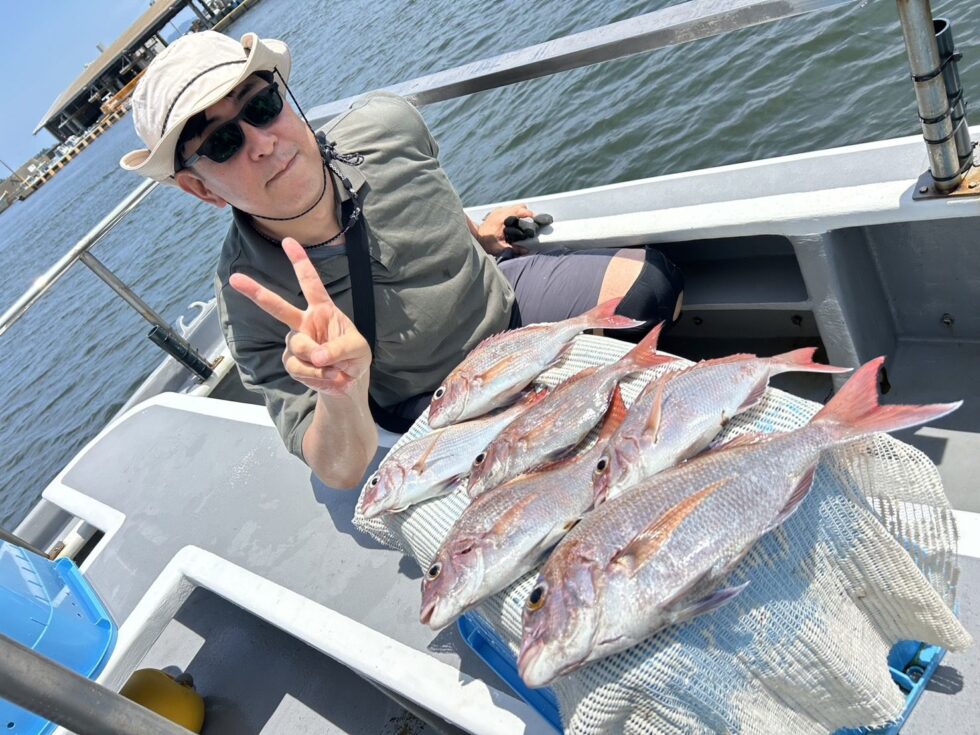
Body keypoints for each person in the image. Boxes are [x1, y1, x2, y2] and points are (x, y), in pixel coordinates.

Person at [120, 31, 684, 489]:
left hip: (504, 310)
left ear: (286, 99)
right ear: (201, 189)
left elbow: (429, 196)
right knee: (530, 482)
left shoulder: (389, 125)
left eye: (262, 107)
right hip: (439, 404)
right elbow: (339, 467)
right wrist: (341, 389)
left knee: (654, 283)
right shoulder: (249, 301)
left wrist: (480, 236)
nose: (261, 142)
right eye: (222, 143)